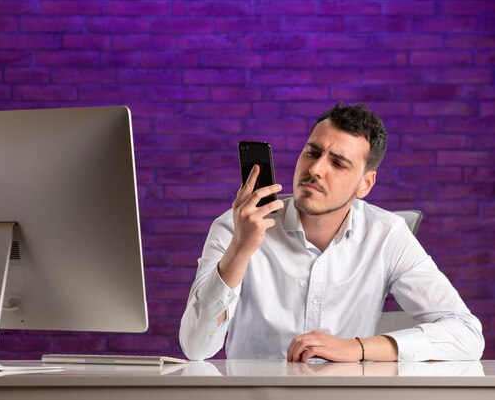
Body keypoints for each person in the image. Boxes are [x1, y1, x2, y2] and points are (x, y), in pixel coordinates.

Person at [179, 103, 484, 362]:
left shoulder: (387, 234)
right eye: (312, 152)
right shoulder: (234, 226)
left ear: (365, 184)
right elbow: (195, 348)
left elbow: (466, 334)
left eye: (338, 163)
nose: (316, 169)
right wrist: (240, 250)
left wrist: (359, 348)